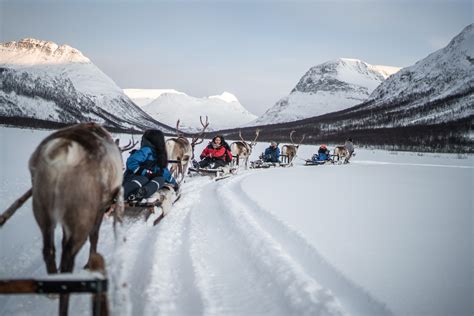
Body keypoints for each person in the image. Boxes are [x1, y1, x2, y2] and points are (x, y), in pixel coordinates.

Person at [123, 130, 177, 202]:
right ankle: (122, 194)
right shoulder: (146, 150)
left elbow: (164, 172)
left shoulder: (159, 155)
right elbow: (132, 161)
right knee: (144, 178)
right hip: (133, 176)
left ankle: (142, 192)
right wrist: (143, 172)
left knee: (161, 179)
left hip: (148, 179)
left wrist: (174, 183)